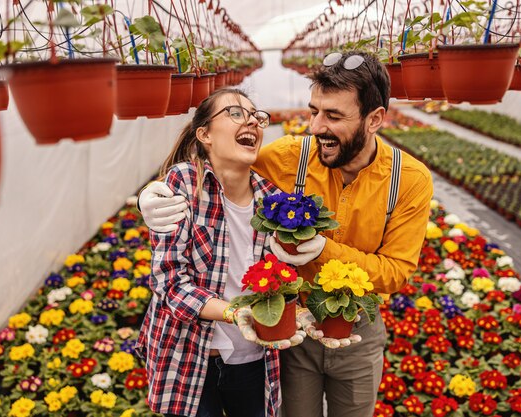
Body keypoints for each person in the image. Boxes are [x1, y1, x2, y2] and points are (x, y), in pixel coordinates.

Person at [140, 51, 433, 417]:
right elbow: (220, 160)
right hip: (292, 329)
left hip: (357, 330)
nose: (316, 126)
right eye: (314, 111)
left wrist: (324, 250)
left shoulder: (408, 180)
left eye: (334, 116)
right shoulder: (288, 157)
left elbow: (396, 272)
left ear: (374, 119)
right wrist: (151, 195)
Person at [134, 88, 303, 417]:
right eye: (236, 113)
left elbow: (282, 278)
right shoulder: (184, 184)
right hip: (189, 357)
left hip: (252, 357)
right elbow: (168, 282)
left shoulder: (272, 200)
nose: (252, 121)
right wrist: (233, 312)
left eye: (256, 116)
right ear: (205, 134)